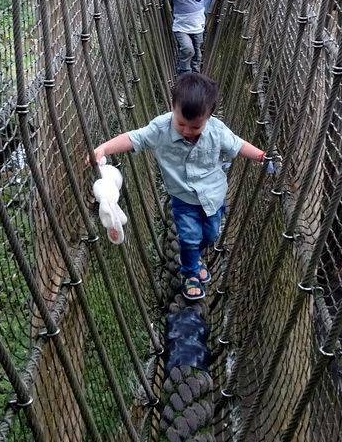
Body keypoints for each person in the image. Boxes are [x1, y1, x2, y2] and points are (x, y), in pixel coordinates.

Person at [90, 73, 266, 300]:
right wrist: (103, 149)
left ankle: (192, 257)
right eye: (181, 123)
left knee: (211, 234)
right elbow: (135, 138)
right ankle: (190, 272)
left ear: (209, 117)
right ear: (172, 107)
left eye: (195, 127)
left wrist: (261, 156)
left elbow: (238, 145)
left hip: (213, 196)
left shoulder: (217, 130)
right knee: (191, 237)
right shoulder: (161, 129)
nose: (186, 131)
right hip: (183, 199)